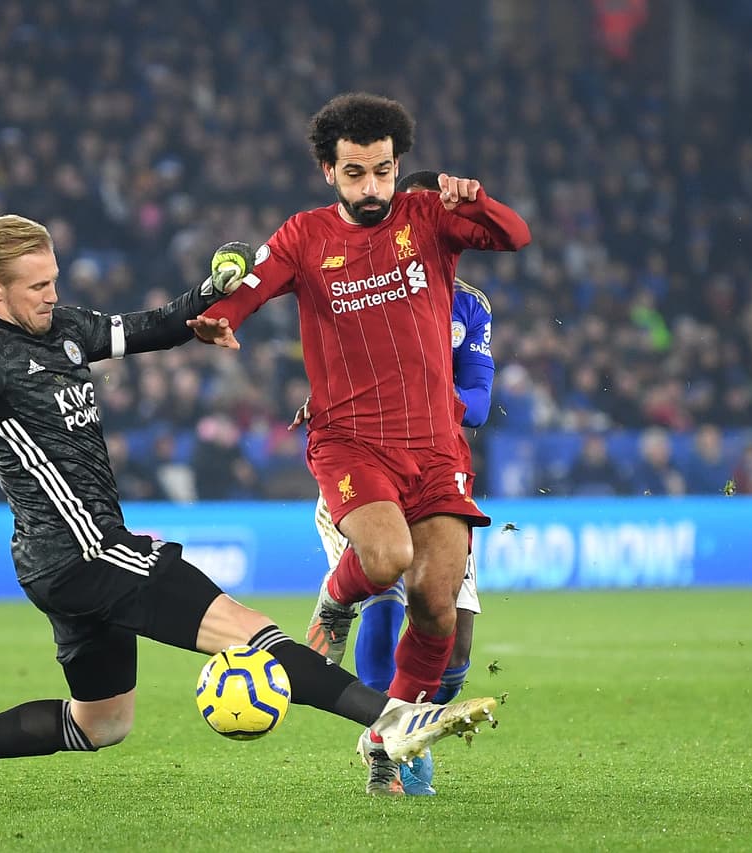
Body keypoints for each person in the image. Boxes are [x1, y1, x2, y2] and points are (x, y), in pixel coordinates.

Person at [0, 214, 499, 800]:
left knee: (101, 723)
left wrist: (214, 291)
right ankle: (393, 721)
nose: (54, 296)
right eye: (37, 286)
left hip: (58, 565)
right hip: (91, 552)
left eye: (55, 279)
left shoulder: (64, 332)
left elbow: (152, 326)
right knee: (254, 633)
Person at [190, 94, 530, 793]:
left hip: (436, 446)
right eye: (355, 174)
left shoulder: (429, 217)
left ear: (397, 164)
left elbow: (515, 236)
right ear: (327, 170)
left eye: (381, 172)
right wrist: (221, 318)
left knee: (437, 605)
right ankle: (333, 602)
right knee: (385, 558)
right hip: (352, 440)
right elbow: (254, 284)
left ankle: (389, 736)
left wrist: (479, 198)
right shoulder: (305, 236)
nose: (370, 188)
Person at [287, 170, 498, 795]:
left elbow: (480, 403)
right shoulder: (360, 280)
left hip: (436, 474)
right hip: (363, 472)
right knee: (383, 594)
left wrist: (416, 398)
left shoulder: (470, 305)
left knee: (453, 640)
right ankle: (390, 748)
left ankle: (408, 723)